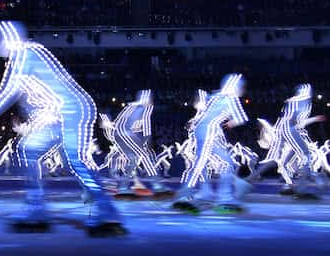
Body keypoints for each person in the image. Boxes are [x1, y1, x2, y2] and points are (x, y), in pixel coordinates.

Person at [0, 21, 125, 237]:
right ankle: (35, 209)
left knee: (74, 159)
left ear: (8, 38)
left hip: (71, 111)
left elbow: (8, 90)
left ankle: (107, 213)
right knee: (26, 149)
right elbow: (30, 97)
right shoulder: (20, 58)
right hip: (53, 116)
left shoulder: (26, 53)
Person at [172, 74, 251, 214]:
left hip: (202, 130)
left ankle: (214, 195)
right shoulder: (230, 98)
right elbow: (241, 118)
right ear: (235, 86)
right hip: (210, 130)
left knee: (225, 163)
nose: (242, 90)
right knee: (200, 164)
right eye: (241, 87)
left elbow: (202, 114)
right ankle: (185, 196)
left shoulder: (215, 96)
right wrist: (230, 123)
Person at [249, 84, 326, 198]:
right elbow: (297, 121)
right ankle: (301, 190)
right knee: (306, 156)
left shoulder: (292, 101)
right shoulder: (304, 101)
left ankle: (248, 180)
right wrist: (313, 119)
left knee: (276, 159)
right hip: (289, 129)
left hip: (281, 129)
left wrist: (314, 119)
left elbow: (292, 119)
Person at [111, 90, 172, 199]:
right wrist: (147, 145)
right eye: (151, 99)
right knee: (146, 157)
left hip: (118, 134)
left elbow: (118, 122)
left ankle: (123, 188)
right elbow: (147, 130)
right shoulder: (145, 108)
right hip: (126, 134)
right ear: (147, 99)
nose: (151, 102)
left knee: (133, 161)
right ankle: (157, 186)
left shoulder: (131, 106)